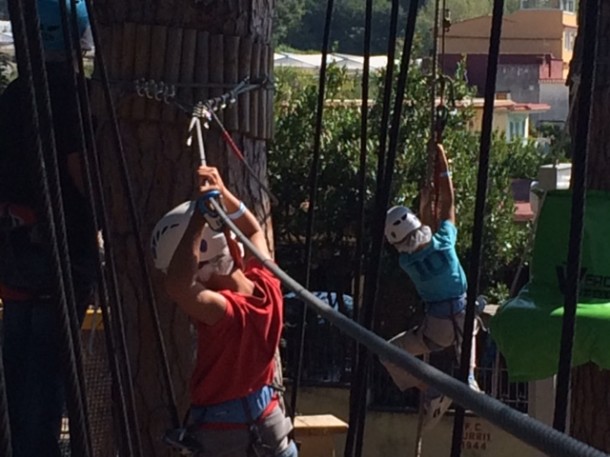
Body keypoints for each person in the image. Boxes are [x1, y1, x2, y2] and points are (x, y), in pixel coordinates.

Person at [0, 1, 98, 456]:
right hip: (59, 256)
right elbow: (80, 172)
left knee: (14, 366)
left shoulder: (12, 96)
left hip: (13, 253)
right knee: (46, 370)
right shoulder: (74, 95)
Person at [151, 165, 298, 457]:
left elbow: (178, 286)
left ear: (199, 271)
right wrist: (223, 194)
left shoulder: (224, 312)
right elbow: (253, 228)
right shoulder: (268, 285)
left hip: (224, 434)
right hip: (269, 424)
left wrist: (197, 220)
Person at [381, 142, 480, 432]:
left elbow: (418, 241)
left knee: (388, 353)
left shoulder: (406, 264)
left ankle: (430, 389)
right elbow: (448, 205)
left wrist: (425, 205)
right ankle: (470, 377)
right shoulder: (445, 243)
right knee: (470, 322)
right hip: (462, 319)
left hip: (435, 330)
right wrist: (443, 168)